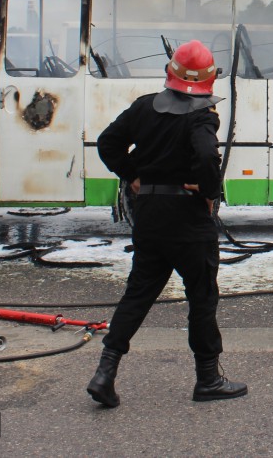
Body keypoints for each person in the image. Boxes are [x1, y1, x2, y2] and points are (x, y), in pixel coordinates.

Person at [88, 40, 247, 408]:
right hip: (189, 220)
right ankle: (208, 380)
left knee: (138, 293)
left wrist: (132, 175)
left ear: (169, 72)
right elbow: (207, 155)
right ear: (209, 81)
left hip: (150, 217)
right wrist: (208, 191)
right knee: (202, 298)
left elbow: (108, 143)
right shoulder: (203, 115)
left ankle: (104, 373)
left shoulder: (145, 107)